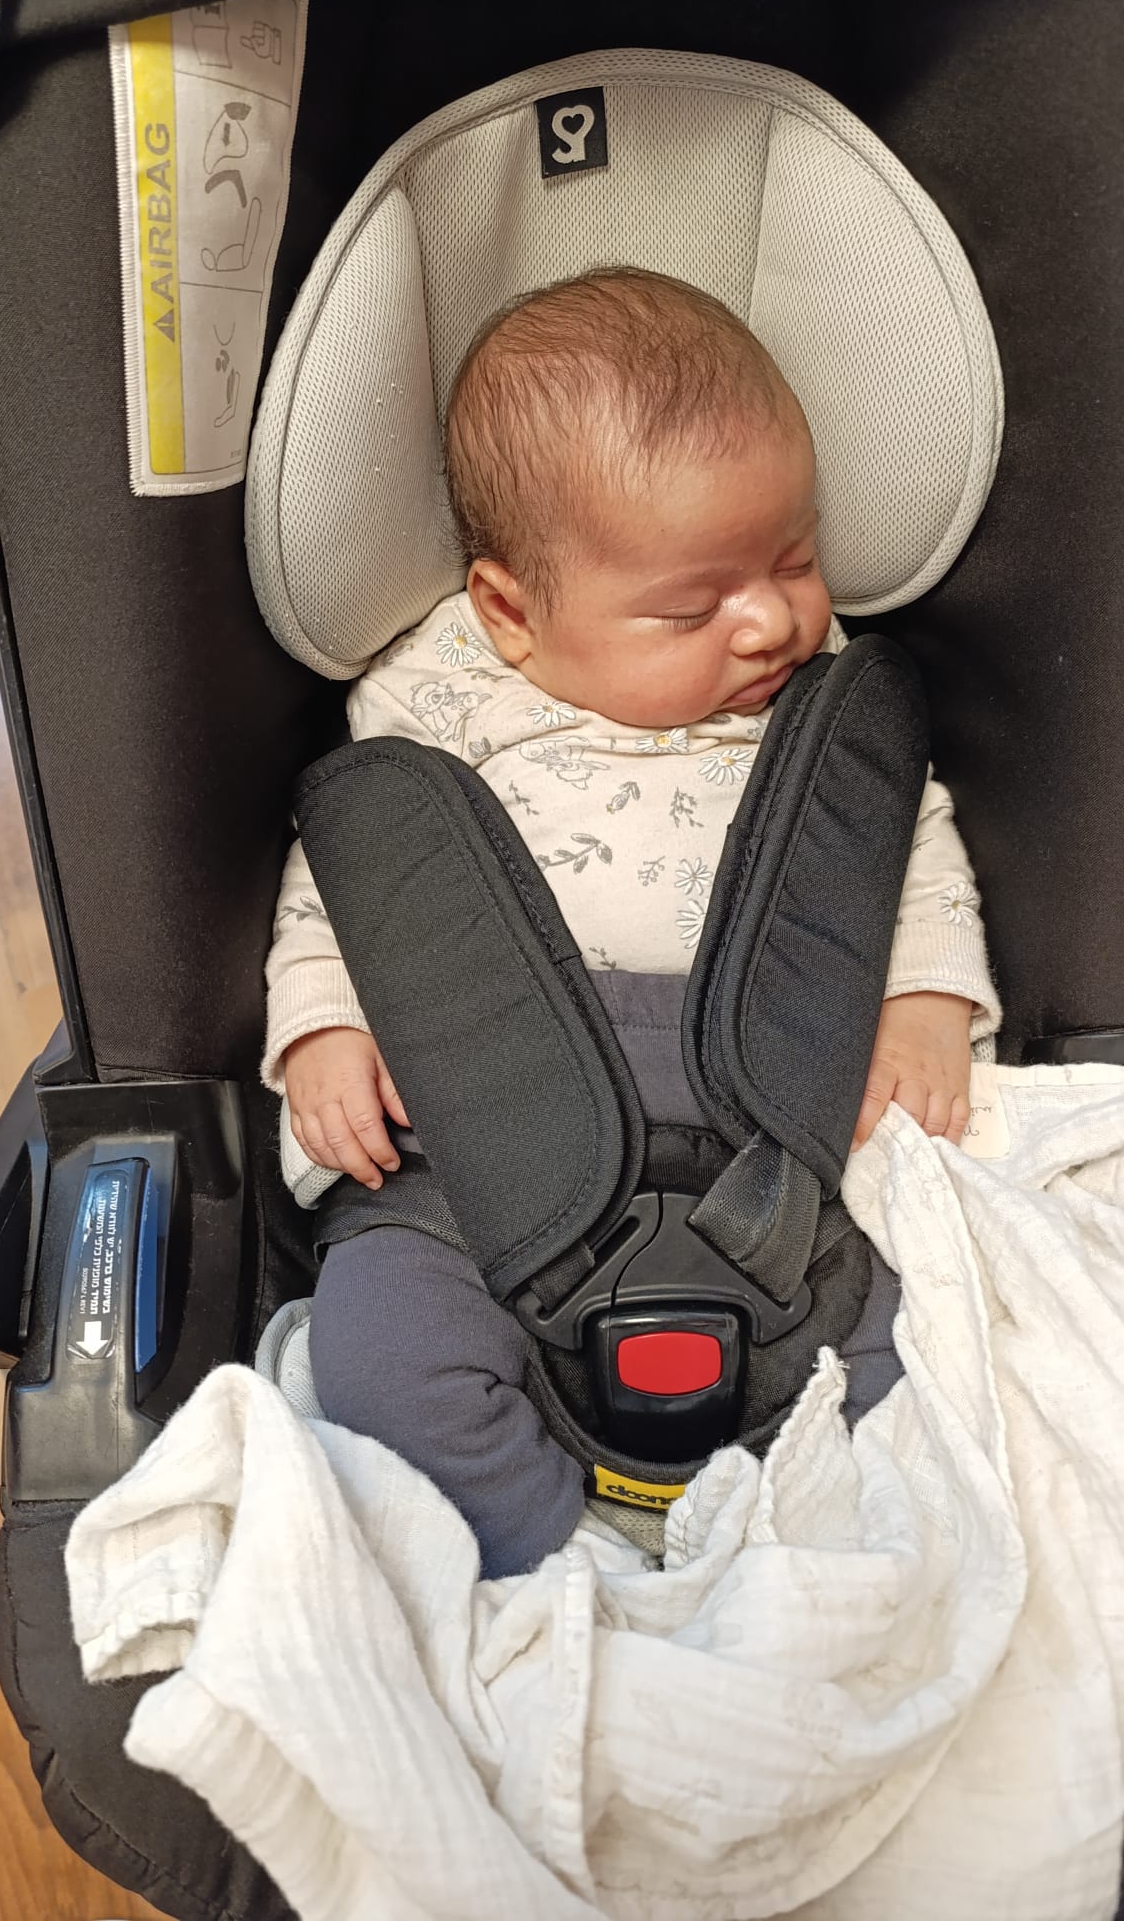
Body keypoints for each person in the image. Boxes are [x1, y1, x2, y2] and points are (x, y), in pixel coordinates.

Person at [262, 268, 1000, 1577]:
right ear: (513, 614)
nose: (770, 619)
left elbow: (911, 844)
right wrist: (323, 1031)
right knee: (376, 1351)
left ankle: (833, 1562)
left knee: (950, 1325)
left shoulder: (814, 711)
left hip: (788, 1137)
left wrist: (929, 1004)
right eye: (691, 605)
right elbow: (359, 876)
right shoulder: (440, 703)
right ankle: (562, 1573)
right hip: (478, 1153)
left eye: (796, 559)